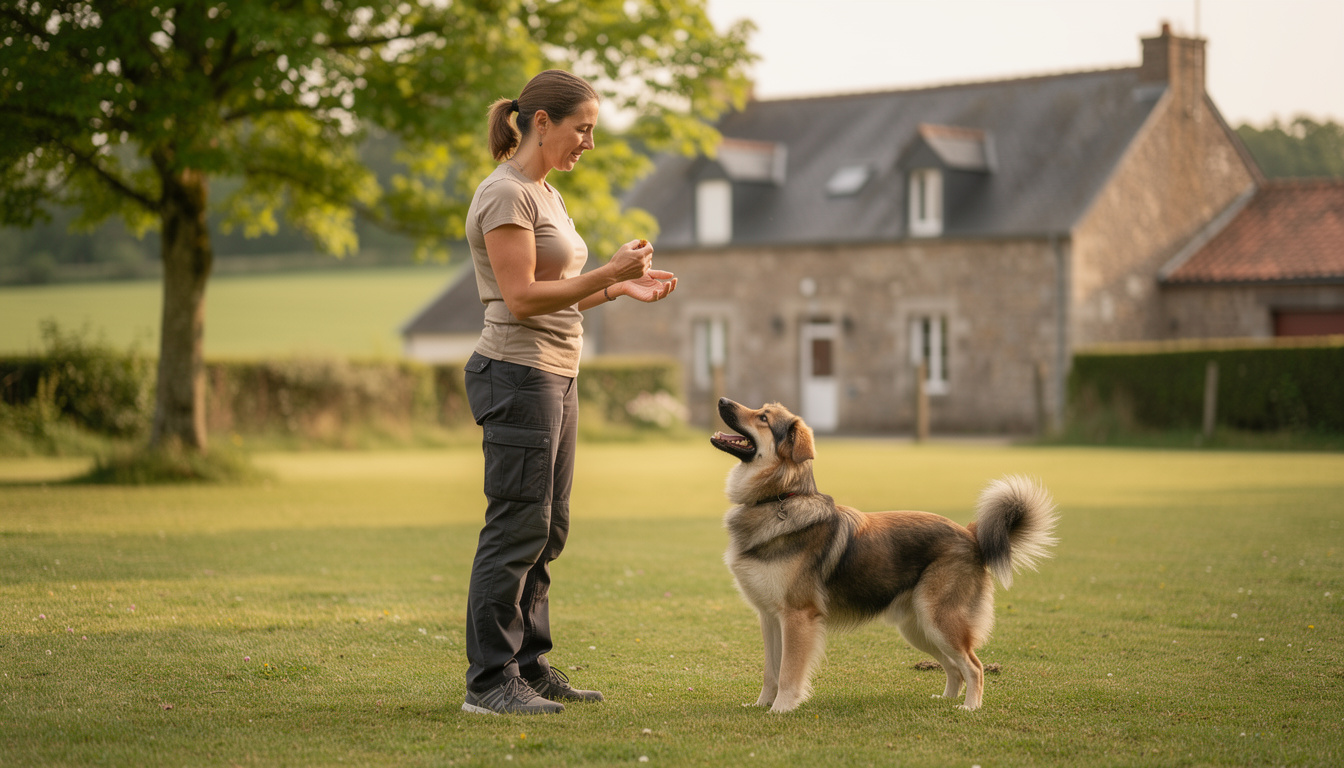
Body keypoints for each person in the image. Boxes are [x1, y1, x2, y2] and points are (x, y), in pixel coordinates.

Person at [460, 70, 677, 716]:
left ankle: (528, 664)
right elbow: (522, 298)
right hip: (517, 373)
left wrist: (615, 287)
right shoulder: (506, 195)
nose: (588, 142)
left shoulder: (547, 194)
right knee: (516, 526)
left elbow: (560, 287)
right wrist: (607, 270)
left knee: (549, 527)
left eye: (593, 130)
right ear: (541, 122)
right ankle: (490, 682)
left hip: (557, 372)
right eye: (581, 128)